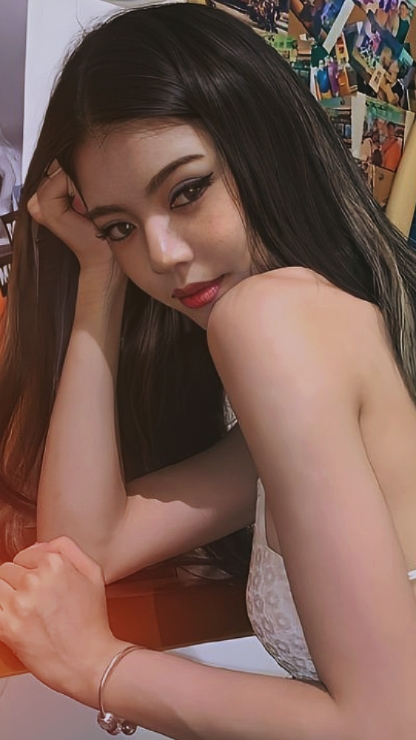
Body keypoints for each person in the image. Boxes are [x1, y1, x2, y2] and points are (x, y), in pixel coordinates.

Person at [0, 3, 416, 738]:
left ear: (266, 147)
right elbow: (83, 551)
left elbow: (386, 723)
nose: (160, 255)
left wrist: (102, 666)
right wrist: (100, 274)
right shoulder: (336, 329)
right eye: (121, 226)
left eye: (187, 191)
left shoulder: (271, 321)